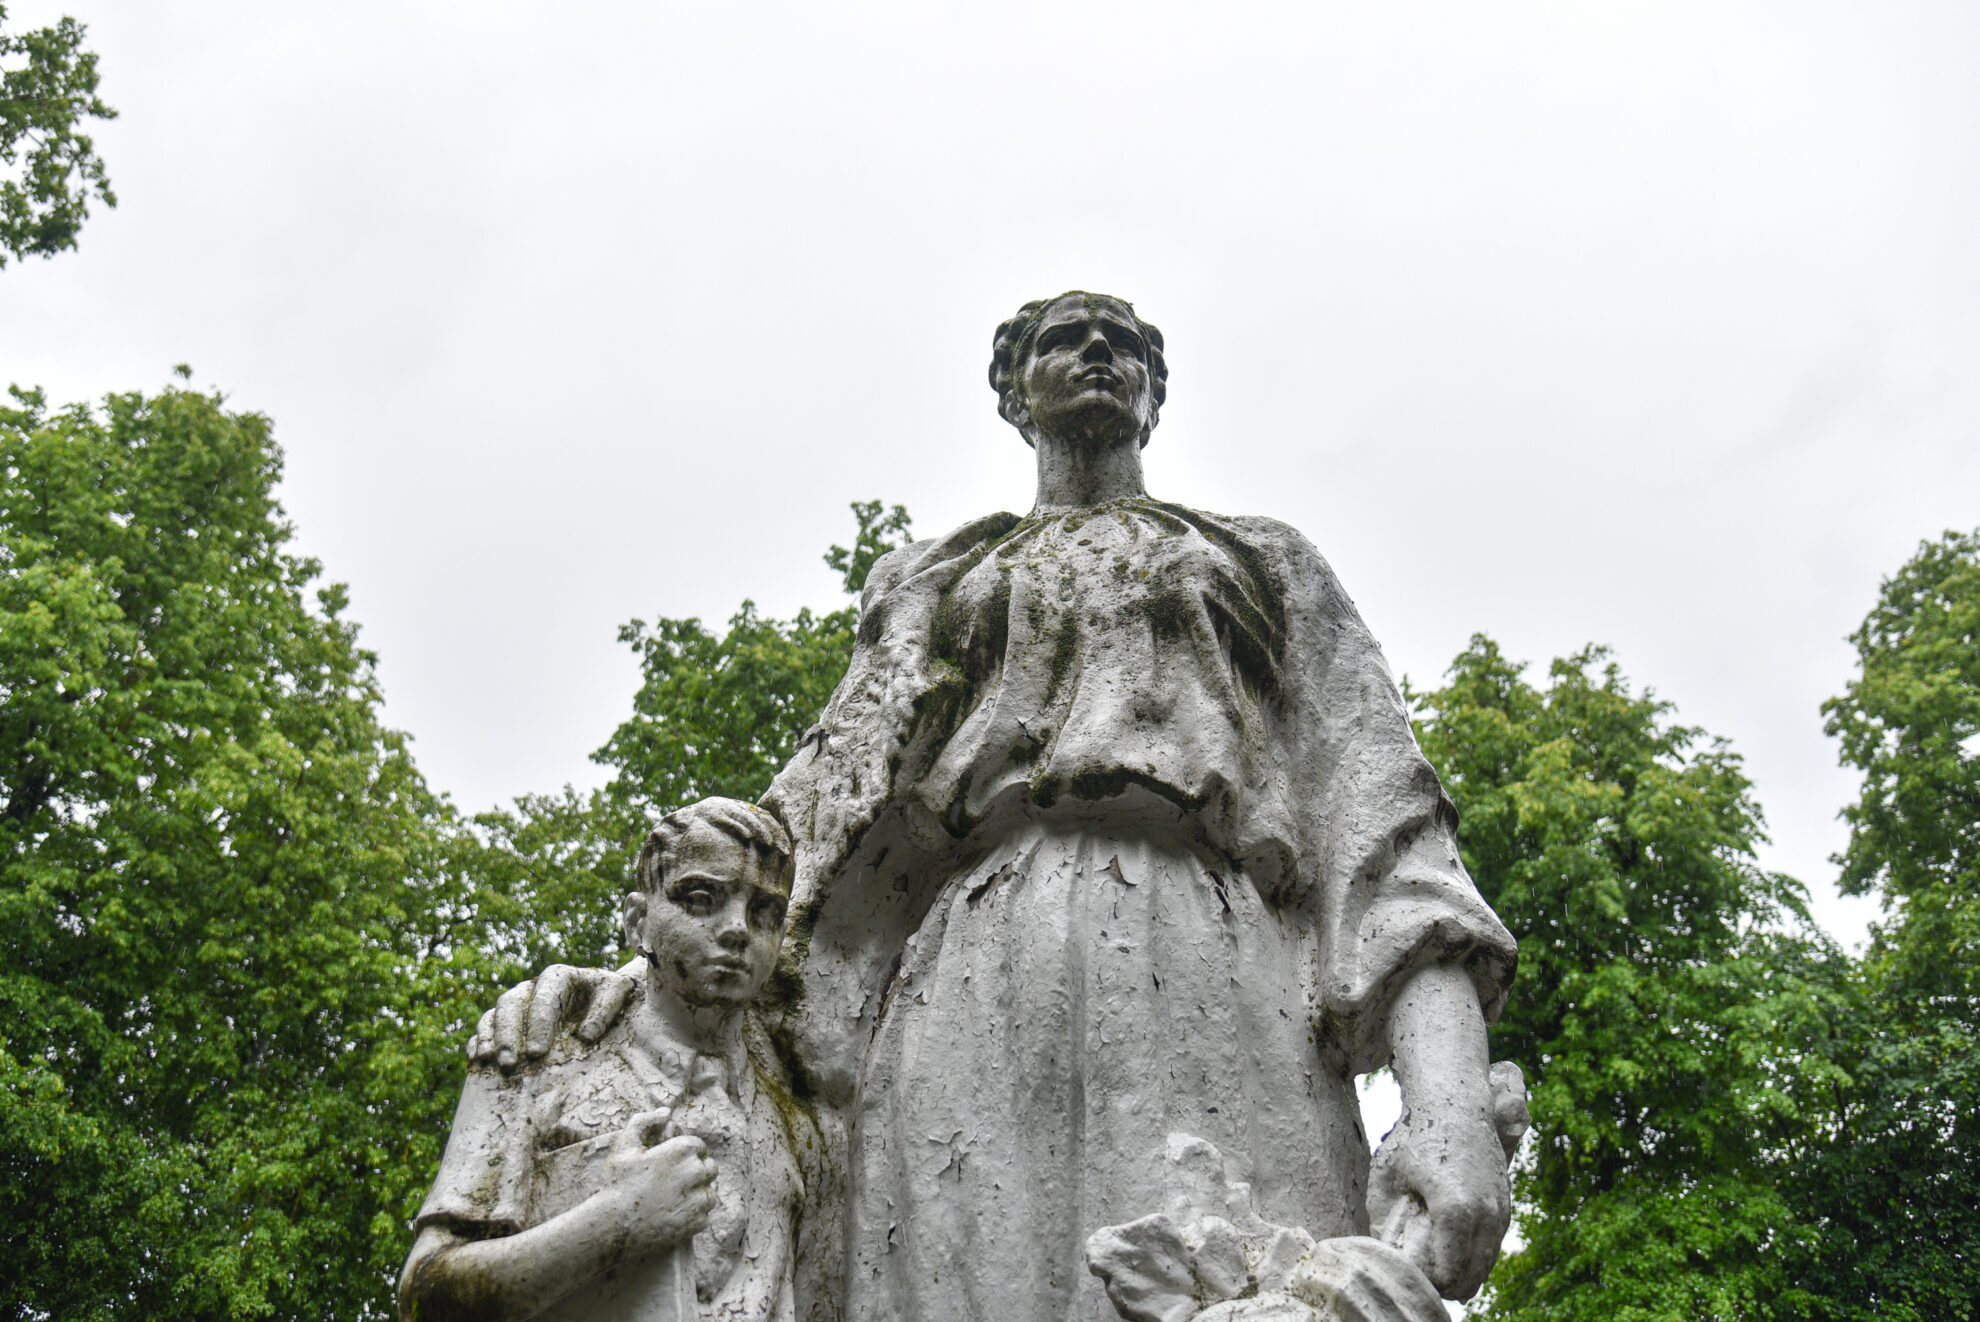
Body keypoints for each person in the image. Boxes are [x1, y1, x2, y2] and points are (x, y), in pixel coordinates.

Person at [478, 293, 1521, 1322]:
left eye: (1125, 342)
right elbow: (803, 826)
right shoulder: (940, 577)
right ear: (1014, 392)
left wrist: (1450, 1102)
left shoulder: (1263, 561)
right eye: (1067, 338)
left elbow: (1384, 832)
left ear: (1157, 393)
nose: (1099, 350)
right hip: (966, 984)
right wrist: (629, 994)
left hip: (1218, 962)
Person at [399, 798, 820, 1322]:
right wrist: (616, 1222)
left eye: (765, 912)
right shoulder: (534, 1062)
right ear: (639, 922)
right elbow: (426, 1293)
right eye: (702, 898)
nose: (738, 929)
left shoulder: (797, 1127)